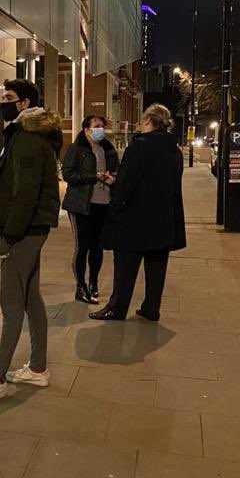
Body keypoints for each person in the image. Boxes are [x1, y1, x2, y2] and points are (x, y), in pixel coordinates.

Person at [0, 79, 61, 405]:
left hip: (25, 232)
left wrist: (10, 236)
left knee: (10, 305)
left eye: (8, 98)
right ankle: (37, 368)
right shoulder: (27, 135)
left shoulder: (28, 139)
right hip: (31, 230)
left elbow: (25, 193)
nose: (1, 102)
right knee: (31, 299)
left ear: (24, 103)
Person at [91, 103, 186, 322]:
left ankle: (117, 307)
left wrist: (115, 202)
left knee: (125, 266)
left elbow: (126, 184)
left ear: (147, 121)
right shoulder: (174, 150)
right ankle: (151, 308)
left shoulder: (140, 147)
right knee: (156, 267)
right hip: (163, 220)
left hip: (135, 219)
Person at [61, 115, 119, 305]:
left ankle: (93, 283)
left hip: (103, 204)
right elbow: (68, 174)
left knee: (97, 247)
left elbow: (117, 171)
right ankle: (81, 287)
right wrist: (93, 176)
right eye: (96, 126)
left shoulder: (108, 149)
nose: (100, 129)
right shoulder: (77, 149)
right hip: (81, 205)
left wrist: (113, 179)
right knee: (82, 247)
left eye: (102, 126)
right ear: (87, 129)